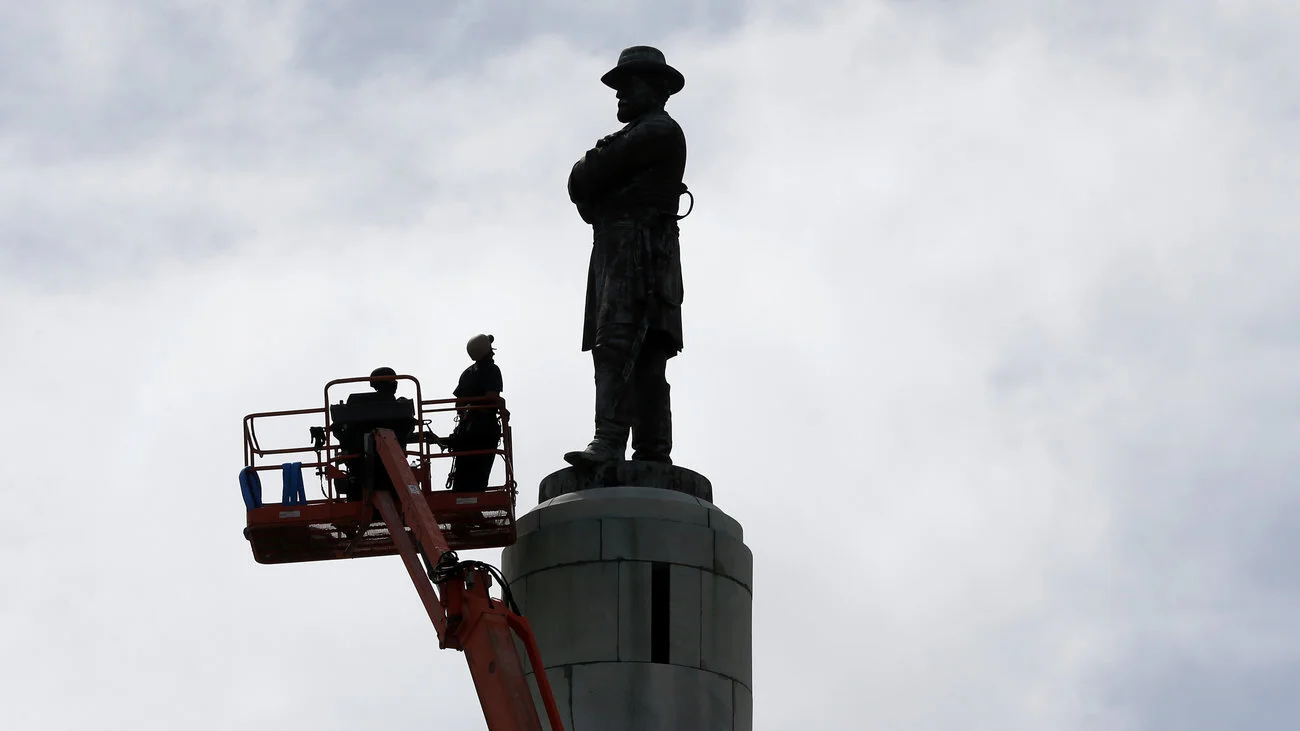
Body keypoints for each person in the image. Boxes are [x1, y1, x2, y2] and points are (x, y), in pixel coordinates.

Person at [564, 46, 688, 468]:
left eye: (627, 86)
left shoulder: (657, 132)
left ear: (656, 90)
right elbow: (583, 190)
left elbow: (584, 175)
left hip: (640, 253)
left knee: (624, 346)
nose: (619, 96)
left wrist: (596, 185)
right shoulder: (645, 133)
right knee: (632, 350)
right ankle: (649, 450)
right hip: (621, 250)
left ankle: (612, 441)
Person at [438, 334, 503, 492]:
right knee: (480, 471)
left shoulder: (467, 373)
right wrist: (502, 407)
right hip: (485, 428)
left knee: (463, 471)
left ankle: (461, 501)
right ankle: (474, 498)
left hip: (466, 431)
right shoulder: (492, 370)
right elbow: (492, 397)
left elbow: (458, 404)